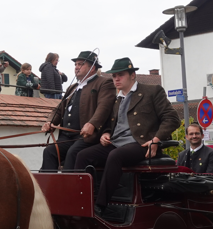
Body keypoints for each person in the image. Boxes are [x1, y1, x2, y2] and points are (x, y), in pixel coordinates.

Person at [75, 57, 180, 215]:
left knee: (115, 155)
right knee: (83, 155)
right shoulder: (117, 99)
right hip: (117, 142)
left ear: (132, 75)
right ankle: (81, 202)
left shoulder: (152, 91)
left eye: (121, 75)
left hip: (142, 143)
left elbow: (172, 119)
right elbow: (111, 124)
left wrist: (156, 140)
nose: (116, 79)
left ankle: (100, 206)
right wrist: (106, 133)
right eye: (114, 76)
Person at [41, 51, 116, 171]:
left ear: (92, 68)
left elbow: (104, 107)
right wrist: (50, 122)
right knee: (49, 151)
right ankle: (47, 183)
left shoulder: (104, 83)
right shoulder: (72, 87)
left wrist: (92, 124)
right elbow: (59, 109)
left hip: (86, 137)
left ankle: (69, 183)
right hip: (67, 137)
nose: (76, 67)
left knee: (73, 153)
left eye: (81, 64)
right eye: (75, 64)